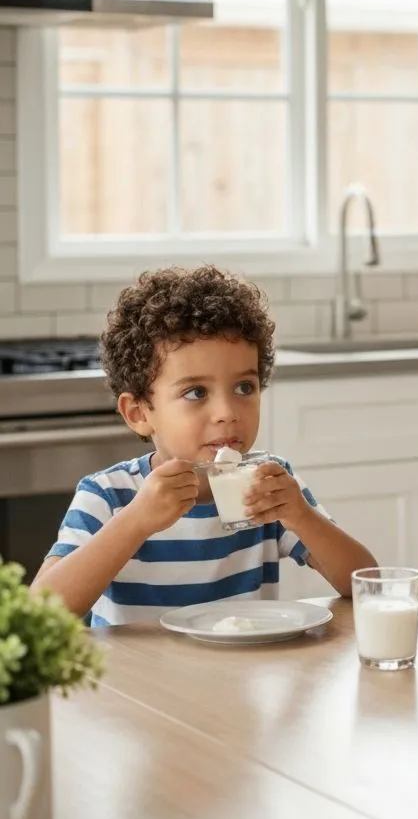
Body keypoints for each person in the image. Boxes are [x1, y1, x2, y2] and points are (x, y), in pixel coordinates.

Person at [32, 265, 376, 626]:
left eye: (244, 388)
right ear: (138, 412)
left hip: (236, 679)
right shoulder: (109, 496)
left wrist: (300, 515)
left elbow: (365, 584)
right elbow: (40, 616)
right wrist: (134, 522)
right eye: (196, 393)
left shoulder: (269, 485)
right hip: (136, 682)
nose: (227, 413)